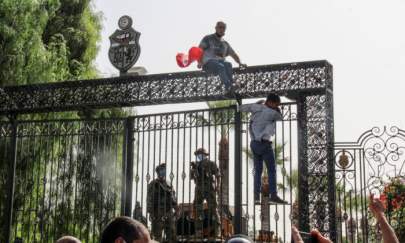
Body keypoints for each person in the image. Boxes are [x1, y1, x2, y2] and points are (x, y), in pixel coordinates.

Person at [240, 93, 287, 204]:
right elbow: (280, 118)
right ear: (271, 102)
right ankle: (273, 195)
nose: (277, 106)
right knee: (271, 170)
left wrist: (256, 104)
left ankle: (256, 196)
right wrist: (278, 110)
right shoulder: (272, 113)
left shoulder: (256, 107)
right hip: (265, 144)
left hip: (254, 144)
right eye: (276, 104)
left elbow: (241, 108)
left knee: (258, 171)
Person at [198, 21, 247, 93]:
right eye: (220, 27)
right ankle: (229, 86)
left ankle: (231, 86)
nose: (222, 29)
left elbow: (233, 54)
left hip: (220, 65)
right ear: (216, 28)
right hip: (208, 63)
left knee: (228, 64)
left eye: (223, 28)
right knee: (221, 66)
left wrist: (240, 63)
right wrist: (199, 62)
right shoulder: (208, 38)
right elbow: (199, 50)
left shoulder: (225, 43)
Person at [190, 148, 221, 238]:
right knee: (197, 208)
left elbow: (218, 175)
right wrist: (193, 169)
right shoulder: (196, 164)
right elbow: (192, 177)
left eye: (200, 154)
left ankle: (217, 230)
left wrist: (218, 186)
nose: (198, 156)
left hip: (209, 187)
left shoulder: (211, 163)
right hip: (199, 187)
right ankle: (199, 231)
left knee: (213, 208)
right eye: (197, 155)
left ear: (205, 154)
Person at [146, 163, 177, 242]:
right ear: (157, 172)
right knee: (157, 236)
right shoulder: (153, 184)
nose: (163, 172)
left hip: (169, 211)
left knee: (172, 234)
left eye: (164, 170)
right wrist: (151, 212)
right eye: (161, 170)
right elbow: (149, 199)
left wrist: (176, 207)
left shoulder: (169, 183)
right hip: (158, 212)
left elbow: (173, 196)